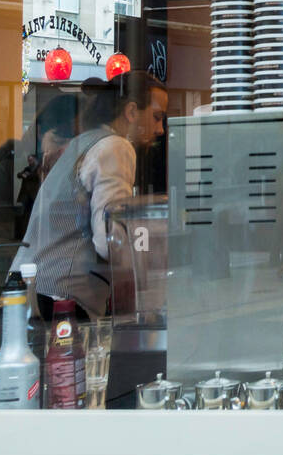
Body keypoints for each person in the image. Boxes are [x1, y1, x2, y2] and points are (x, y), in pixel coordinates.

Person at [11, 71, 167, 320]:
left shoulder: (83, 142)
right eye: (157, 117)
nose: (160, 129)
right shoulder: (116, 146)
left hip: (30, 287)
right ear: (131, 112)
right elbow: (109, 239)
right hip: (61, 295)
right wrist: (155, 255)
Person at [0, 94, 78, 293]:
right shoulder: (9, 175)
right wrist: (27, 286)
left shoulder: (75, 177)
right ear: (39, 134)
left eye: (72, 144)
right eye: (57, 140)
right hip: (11, 293)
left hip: (59, 291)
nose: (64, 152)